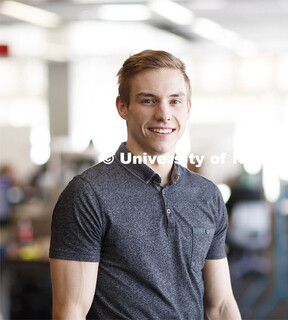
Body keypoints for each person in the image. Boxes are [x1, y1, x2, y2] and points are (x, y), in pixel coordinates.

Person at [49, 50, 241, 319]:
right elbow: (71, 311)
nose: (164, 114)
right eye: (149, 100)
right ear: (122, 107)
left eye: (175, 101)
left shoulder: (207, 195)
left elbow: (220, 306)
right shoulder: (88, 194)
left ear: (187, 109)